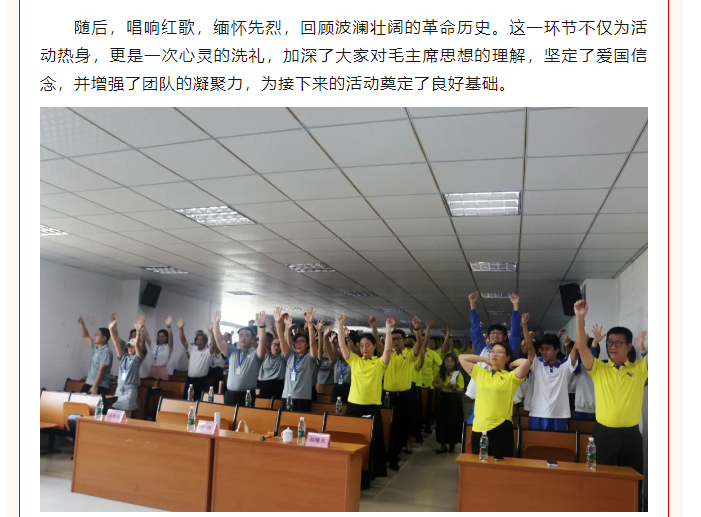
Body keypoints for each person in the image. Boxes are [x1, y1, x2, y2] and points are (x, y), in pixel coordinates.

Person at [573, 300, 647, 474]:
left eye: (618, 343)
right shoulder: (599, 368)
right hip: (603, 435)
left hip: (631, 436)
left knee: (632, 480)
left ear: (629, 347)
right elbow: (581, 346)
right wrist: (580, 318)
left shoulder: (640, 368)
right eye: (610, 342)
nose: (612, 347)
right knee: (599, 478)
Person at [337, 314, 389, 488]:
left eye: (368, 345)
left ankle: (367, 476)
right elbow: (342, 346)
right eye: (361, 345)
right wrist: (340, 325)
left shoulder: (380, 363)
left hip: (372, 408)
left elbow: (388, 351)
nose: (364, 348)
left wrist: (388, 329)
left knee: (370, 443)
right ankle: (350, 472)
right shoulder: (355, 360)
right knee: (351, 441)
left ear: (374, 346)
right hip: (353, 407)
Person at [459, 343, 530, 458]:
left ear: (507, 357)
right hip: (479, 427)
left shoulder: (511, 377)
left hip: (501, 427)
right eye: (492, 351)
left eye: (500, 352)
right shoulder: (481, 373)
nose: (495, 354)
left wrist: (511, 364)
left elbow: (526, 363)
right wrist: (484, 360)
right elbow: (462, 358)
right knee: (479, 465)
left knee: (500, 466)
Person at [465, 292, 522, 425]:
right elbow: (475, 330)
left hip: (501, 394)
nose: (495, 335)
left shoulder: (509, 350)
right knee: (475, 425)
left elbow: (515, 333)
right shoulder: (483, 350)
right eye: (492, 333)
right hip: (482, 394)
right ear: (488, 337)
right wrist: (472, 304)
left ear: (505, 337)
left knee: (499, 425)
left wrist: (515, 306)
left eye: (499, 333)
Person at [383, 318, 427, 471]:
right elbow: (379, 342)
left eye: (398, 339)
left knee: (399, 428)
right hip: (388, 396)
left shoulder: (409, 354)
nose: (395, 341)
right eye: (393, 339)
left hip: (404, 396)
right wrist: (382, 328)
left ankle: (394, 456)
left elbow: (419, 344)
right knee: (386, 426)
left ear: (403, 340)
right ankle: (387, 454)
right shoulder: (388, 354)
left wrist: (417, 330)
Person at [521, 314, 576, 431]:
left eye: (547, 349)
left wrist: (580, 319)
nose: (544, 352)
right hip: (537, 414)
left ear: (556, 350)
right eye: (542, 349)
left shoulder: (565, 368)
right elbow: (530, 347)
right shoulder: (537, 366)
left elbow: (577, 349)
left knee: (559, 443)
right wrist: (524, 325)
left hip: (560, 416)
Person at [213, 310, 265, 406]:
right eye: (240, 335)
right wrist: (216, 324)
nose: (243, 338)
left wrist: (261, 326)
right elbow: (219, 341)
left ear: (253, 339)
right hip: (230, 395)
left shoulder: (255, 354)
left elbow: (262, 343)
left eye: (246, 335)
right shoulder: (233, 352)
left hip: (247, 396)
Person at [279, 308, 319, 412]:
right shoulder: (291, 356)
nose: (299, 344)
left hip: (303, 398)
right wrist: (280, 324)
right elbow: (282, 341)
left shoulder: (310, 357)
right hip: (286, 397)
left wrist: (310, 324)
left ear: (307, 344)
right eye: (296, 342)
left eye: (302, 341)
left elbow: (313, 344)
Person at [107, 317, 146, 417]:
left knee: (126, 416)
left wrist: (138, 331)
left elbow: (137, 344)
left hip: (130, 390)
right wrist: (110, 329)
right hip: (119, 388)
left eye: (132, 347)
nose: (130, 348)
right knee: (116, 415)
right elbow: (116, 343)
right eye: (128, 346)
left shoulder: (137, 358)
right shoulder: (123, 357)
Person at [433, 353, 465, 453]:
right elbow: (434, 381)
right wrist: (436, 385)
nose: (449, 363)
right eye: (447, 361)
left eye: (451, 361)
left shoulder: (458, 374)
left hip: (454, 399)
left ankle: (452, 443)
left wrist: (454, 388)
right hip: (443, 398)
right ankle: (442, 445)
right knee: (441, 421)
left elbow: (461, 389)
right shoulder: (441, 372)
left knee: (453, 421)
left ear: (455, 363)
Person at [177, 318, 215, 401]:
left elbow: (213, 344)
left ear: (205, 342)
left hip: (201, 382)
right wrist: (181, 329)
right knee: (186, 401)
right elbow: (183, 341)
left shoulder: (207, 352)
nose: (199, 341)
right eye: (197, 340)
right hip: (189, 381)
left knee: (198, 402)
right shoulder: (192, 349)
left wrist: (211, 331)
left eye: (201, 340)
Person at [571, 324, 603, 420]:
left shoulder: (602, 366)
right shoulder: (579, 366)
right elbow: (577, 359)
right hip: (580, 409)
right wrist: (581, 343)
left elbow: (592, 359)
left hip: (597, 410)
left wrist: (594, 343)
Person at [77, 314, 113, 395]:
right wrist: (82, 323)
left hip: (100, 386)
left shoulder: (106, 351)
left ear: (104, 338)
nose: (95, 337)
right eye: (95, 335)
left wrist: (94, 386)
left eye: (97, 335)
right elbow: (85, 336)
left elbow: (102, 370)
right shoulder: (95, 346)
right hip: (89, 383)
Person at [257, 308, 288, 399]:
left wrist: (279, 323)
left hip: (277, 386)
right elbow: (261, 341)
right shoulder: (266, 355)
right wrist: (260, 325)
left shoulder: (283, 356)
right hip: (264, 386)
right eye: (274, 344)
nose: (276, 347)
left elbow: (283, 339)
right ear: (270, 345)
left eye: (278, 345)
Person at [418, 324, 439, 434]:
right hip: (417, 384)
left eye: (425, 340)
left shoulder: (433, 353)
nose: (424, 341)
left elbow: (440, 366)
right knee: (418, 408)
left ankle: (427, 426)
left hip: (429, 384)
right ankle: (417, 427)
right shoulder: (415, 352)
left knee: (428, 407)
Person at [324, 328, 352, 404]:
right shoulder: (337, 361)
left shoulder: (352, 363)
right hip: (336, 389)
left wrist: (347, 338)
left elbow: (352, 349)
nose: (343, 352)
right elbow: (331, 351)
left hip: (348, 389)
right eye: (342, 350)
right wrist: (326, 338)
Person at [207, 322, 226, 390]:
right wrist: (211, 331)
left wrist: (217, 327)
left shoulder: (223, 353)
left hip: (219, 378)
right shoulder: (211, 352)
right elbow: (213, 342)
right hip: (210, 377)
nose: (217, 346)